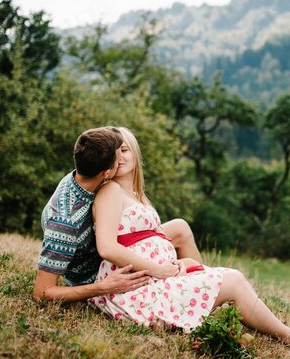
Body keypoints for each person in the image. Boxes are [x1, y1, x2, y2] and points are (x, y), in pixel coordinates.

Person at [89, 127, 290, 353]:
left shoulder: (135, 195)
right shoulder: (111, 191)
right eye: (114, 152)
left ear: (136, 154)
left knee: (205, 256)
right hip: (138, 291)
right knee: (233, 279)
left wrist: (178, 264)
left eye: (125, 150)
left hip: (154, 279)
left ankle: (209, 295)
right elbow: (107, 246)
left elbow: (148, 238)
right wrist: (158, 269)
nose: (119, 156)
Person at [33, 126, 203, 302]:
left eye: (125, 150)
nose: (120, 158)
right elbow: (42, 293)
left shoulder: (84, 170)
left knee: (180, 228)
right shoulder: (64, 222)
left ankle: (201, 281)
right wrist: (102, 287)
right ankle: (196, 289)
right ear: (106, 173)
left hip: (110, 244)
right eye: (117, 155)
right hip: (98, 271)